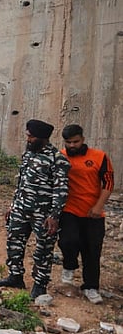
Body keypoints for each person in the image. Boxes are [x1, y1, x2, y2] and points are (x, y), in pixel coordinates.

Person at [0, 119, 70, 299]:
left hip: (43, 214)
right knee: (14, 242)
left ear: (43, 138)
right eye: (28, 135)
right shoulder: (28, 154)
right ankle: (15, 276)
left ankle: (40, 285)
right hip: (21, 209)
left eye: (31, 137)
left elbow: (61, 190)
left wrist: (54, 215)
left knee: (43, 249)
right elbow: (21, 182)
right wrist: (13, 205)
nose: (28, 139)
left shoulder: (57, 159)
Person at [58, 124, 115, 304]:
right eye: (68, 142)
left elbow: (108, 183)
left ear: (83, 139)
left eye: (75, 142)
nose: (72, 145)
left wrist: (99, 206)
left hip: (93, 213)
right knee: (67, 241)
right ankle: (69, 266)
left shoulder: (99, 157)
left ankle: (90, 286)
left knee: (92, 250)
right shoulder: (60, 157)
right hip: (69, 209)